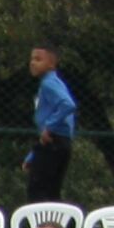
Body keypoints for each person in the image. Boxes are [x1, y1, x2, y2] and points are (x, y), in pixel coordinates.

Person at [26, 42, 79, 203]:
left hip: (55, 143)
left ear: (51, 63)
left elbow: (68, 104)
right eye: (32, 59)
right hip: (53, 143)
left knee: (39, 193)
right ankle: (52, 227)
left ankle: (44, 227)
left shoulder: (49, 84)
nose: (33, 63)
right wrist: (33, 156)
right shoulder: (49, 84)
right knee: (50, 192)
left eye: (38, 59)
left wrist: (49, 126)